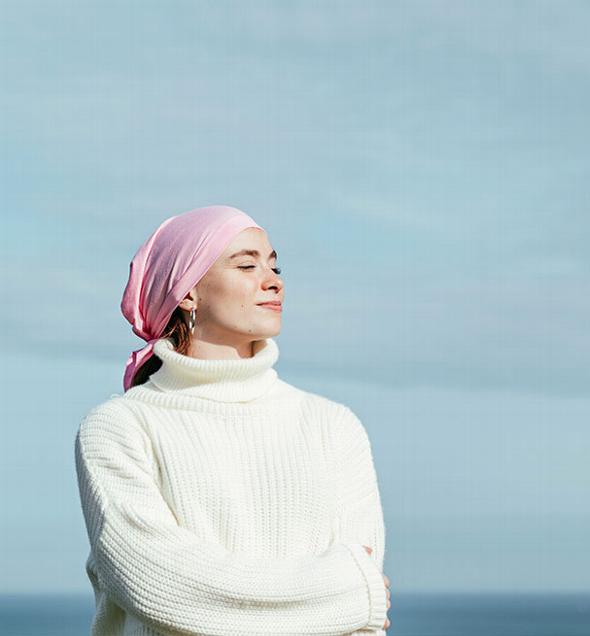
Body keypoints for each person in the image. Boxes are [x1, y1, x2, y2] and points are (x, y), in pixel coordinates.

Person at [74, 205, 391, 636]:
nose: (273, 280)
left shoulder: (333, 426)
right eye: (246, 265)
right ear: (187, 292)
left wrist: (353, 593)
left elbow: (363, 609)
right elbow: (160, 586)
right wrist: (343, 593)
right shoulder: (121, 427)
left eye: (274, 265)